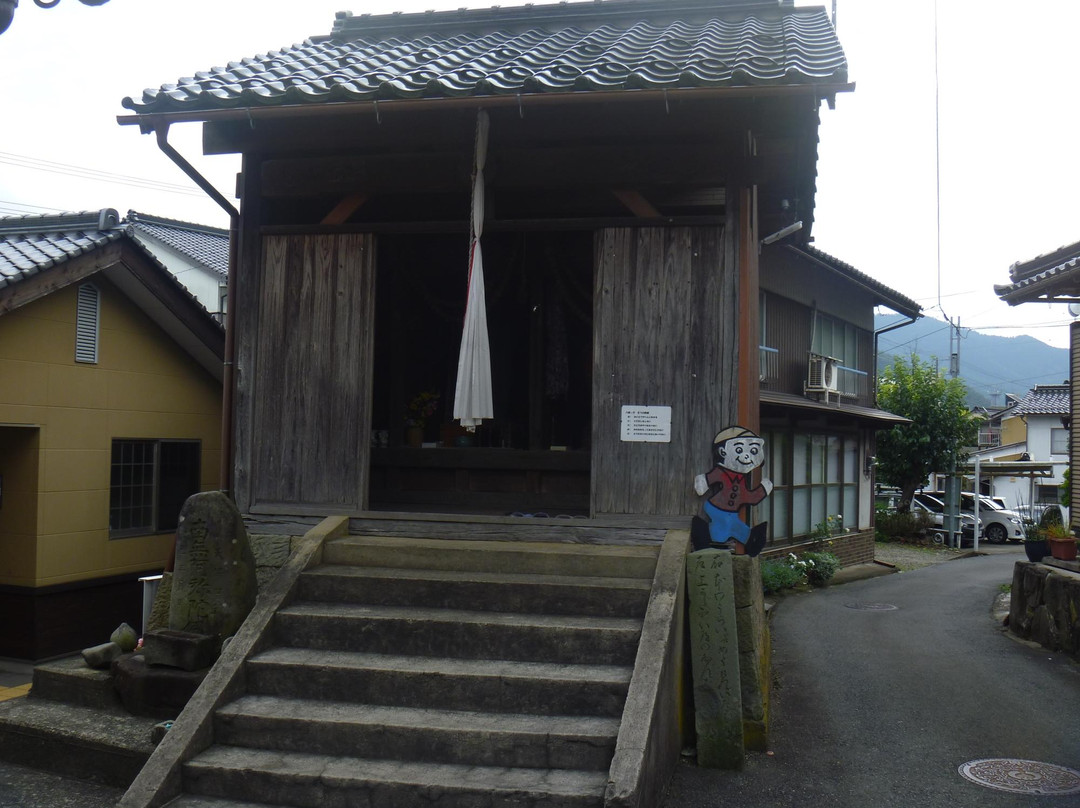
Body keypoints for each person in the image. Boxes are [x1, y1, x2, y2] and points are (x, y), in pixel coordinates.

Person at [692, 425, 772, 555]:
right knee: (722, 529)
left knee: (739, 530)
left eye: (752, 451)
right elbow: (703, 485)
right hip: (716, 509)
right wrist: (702, 482)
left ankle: (748, 541)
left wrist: (763, 489)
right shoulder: (721, 472)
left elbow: (749, 497)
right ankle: (712, 545)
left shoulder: (742, 480)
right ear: (723, 452)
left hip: (732, 513)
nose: (746, 456)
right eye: (739, 449)